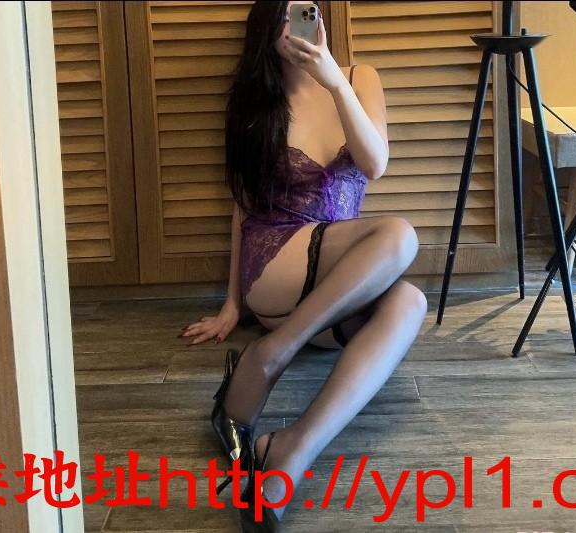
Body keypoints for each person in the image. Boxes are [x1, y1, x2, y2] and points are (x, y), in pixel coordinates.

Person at [179, 1, 427, 529]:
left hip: (331, 290)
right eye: (284, 19)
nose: (297, 30)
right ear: (266, 31)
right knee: (399, 234)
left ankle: (291, 449)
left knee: (410, 300)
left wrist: (334, 83)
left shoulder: (358, 79)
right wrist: (232, 304)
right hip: (276, 264)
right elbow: (242, 206)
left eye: (306, 13)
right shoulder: (255, 103)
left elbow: (375, 164)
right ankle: (270, 352)